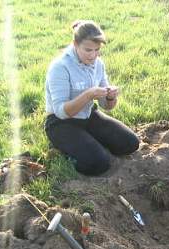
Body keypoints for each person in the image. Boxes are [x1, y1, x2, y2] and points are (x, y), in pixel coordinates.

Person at [44, 20, 139, 175]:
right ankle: (67, 149)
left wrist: (110, 97)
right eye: (88, 50)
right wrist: (88, 95)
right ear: (75, 43)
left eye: (97, 50)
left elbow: (106, 106)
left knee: (130, 144)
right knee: (99, 164)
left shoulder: (98, 64)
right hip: (61, 123)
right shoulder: (59, 67)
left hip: (89, 115)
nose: (93, 55)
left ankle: (88, 141)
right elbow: (61, 112)